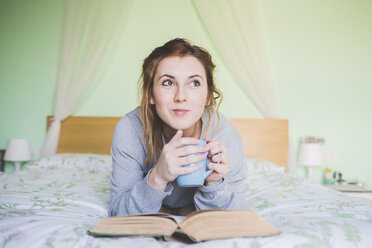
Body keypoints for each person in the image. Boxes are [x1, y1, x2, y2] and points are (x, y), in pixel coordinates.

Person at [109, 38, 247, 216]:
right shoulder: (130, 129)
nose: (180, 96)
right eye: (168, 82)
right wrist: (157, 177)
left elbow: (238, 216)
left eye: (194, 83)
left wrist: (214, 184)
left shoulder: (224, 135)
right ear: (150, 94)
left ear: (208, 97)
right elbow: (118, 212)